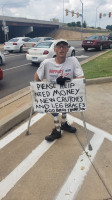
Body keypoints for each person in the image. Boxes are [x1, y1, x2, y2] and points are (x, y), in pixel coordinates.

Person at [34, 39, 84, 142]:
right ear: (55, 49)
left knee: (65, 106)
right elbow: (37, 78)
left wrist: (68, 80)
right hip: (53, 94)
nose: (61, 49)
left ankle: (64, 124)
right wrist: (50, 84)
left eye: (64, 46)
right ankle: (57, 131)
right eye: (59, 46)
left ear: (67, 49)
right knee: (55, 110)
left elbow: (81, 77)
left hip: (66, 92)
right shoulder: (47, 62)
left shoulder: (73, 61)